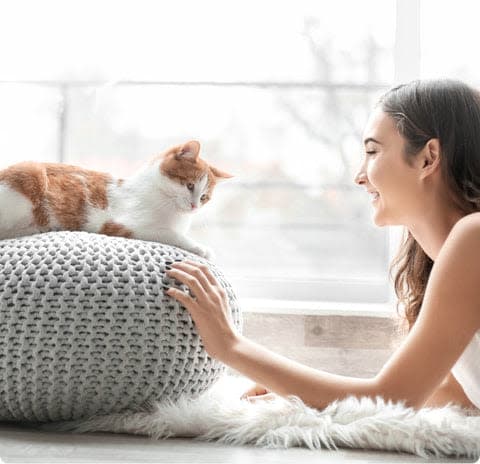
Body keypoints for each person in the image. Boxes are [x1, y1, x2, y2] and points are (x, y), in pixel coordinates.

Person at [165, 79, 480, 411]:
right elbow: (457, 396)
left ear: (428, 158)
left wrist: (230, 346)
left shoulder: (473, 236)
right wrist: (305, 396)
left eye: (373, 151)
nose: (360, 176)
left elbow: (394, 398)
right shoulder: (461, 250)